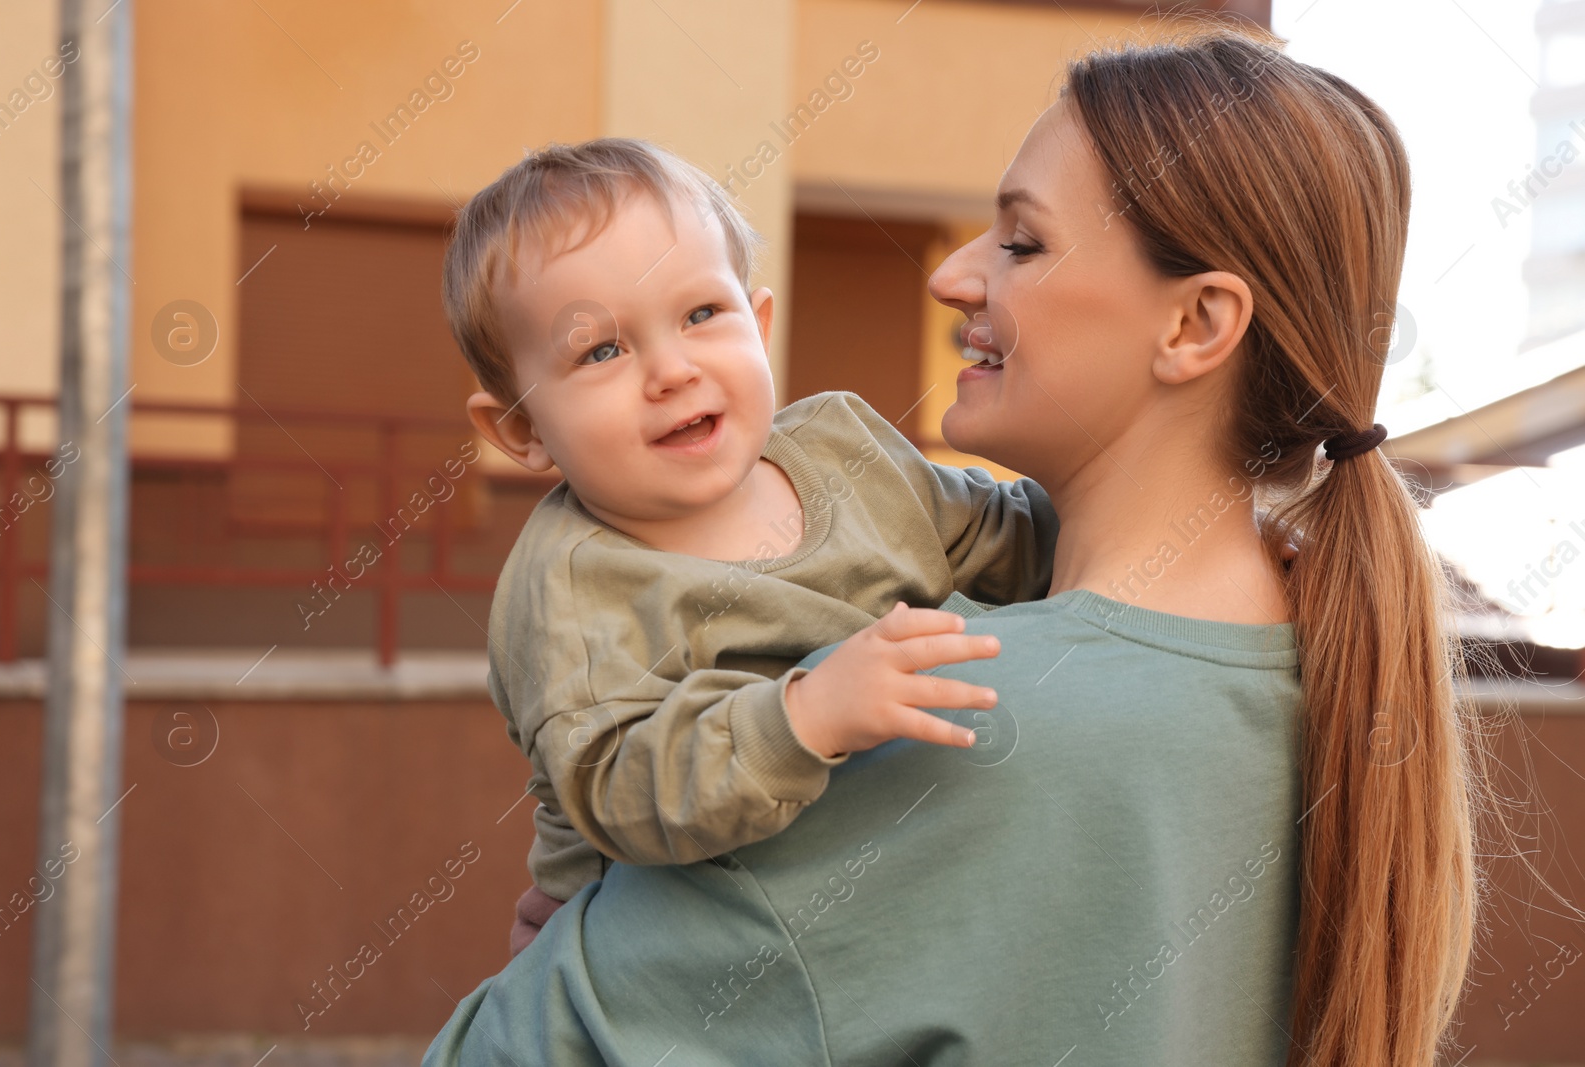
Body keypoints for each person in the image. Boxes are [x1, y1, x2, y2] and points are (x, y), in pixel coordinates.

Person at [425, 23, 1482, 1067]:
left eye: (1021, 241)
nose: (953, 276)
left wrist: (588, 942)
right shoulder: (1326, 668)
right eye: (602, 348)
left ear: (1195, 325)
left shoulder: (946, 712)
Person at [441, 139, 1060, 954]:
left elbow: (1008, 534)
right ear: (522, 428)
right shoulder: (574, 586)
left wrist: (1202, 518)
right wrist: (804, 714)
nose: (672, 370)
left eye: (701, 314)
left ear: (759, 324)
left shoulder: (847, 449)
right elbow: (619, 786)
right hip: (656, 947)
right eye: (601, 350)